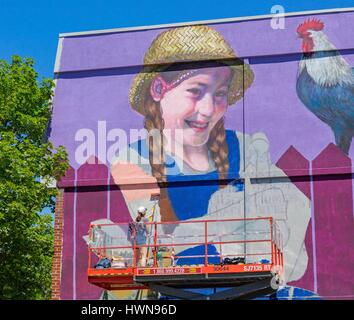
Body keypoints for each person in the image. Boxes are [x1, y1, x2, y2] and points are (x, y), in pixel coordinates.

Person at [111, 25, 316, 298]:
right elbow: (159, 241)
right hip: (176, 294)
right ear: (159, 88)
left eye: (219, 94)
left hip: (252, 291)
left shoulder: (247, 146)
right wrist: (237, 219)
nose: (208, 110)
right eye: (196, 90)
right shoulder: (132, 160)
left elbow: (296, 205)